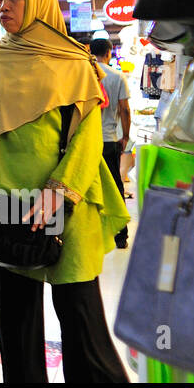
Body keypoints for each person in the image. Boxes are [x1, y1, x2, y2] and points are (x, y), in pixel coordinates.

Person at [0, 0, 130, 383]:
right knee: (16, 324)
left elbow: (87, 140)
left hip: (64, 208)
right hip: (1, 204)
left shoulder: (75, 64)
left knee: (83, 324)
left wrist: (59, 191)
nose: (3, 5)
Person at [90, 38, 132, 248]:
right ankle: (120, 236)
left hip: (87, 141)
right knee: (115, 187)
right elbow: (124, 109)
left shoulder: (85, 74)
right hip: (109, 140)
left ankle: (93, 234)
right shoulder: (117, 76)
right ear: (109, 53)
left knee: (90, 188)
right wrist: (125, 136)